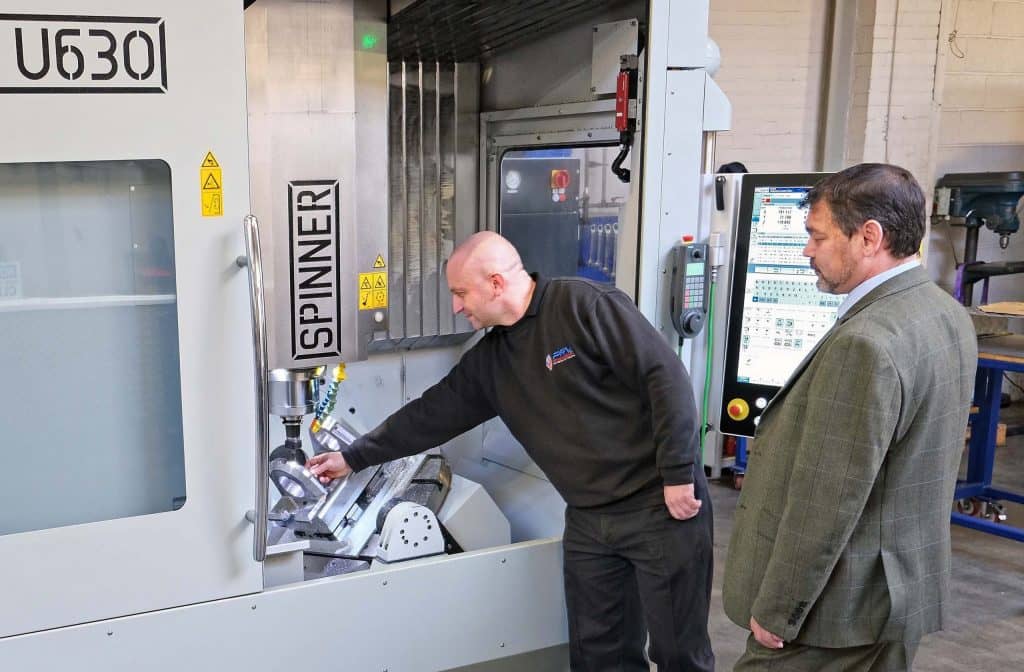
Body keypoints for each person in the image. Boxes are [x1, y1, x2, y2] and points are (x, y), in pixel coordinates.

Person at [308, 231, 715, 671]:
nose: (457, 307)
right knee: (600, 656)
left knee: (678, 653)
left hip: (658, 504)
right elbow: (429, 415)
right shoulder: (491, 361)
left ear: (496, 283)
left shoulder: (584, 306)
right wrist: (353, 457)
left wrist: (677, 473)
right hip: (589, 520)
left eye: (461, 293)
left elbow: (665, 377)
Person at [722, 163, 978, 671]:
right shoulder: (943, 311)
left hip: (834, 614)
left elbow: (826, 499)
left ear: (869, 237)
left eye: (818, 236)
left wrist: (779, 610)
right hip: (896, 597)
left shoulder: (864, 344)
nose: (807, 251)